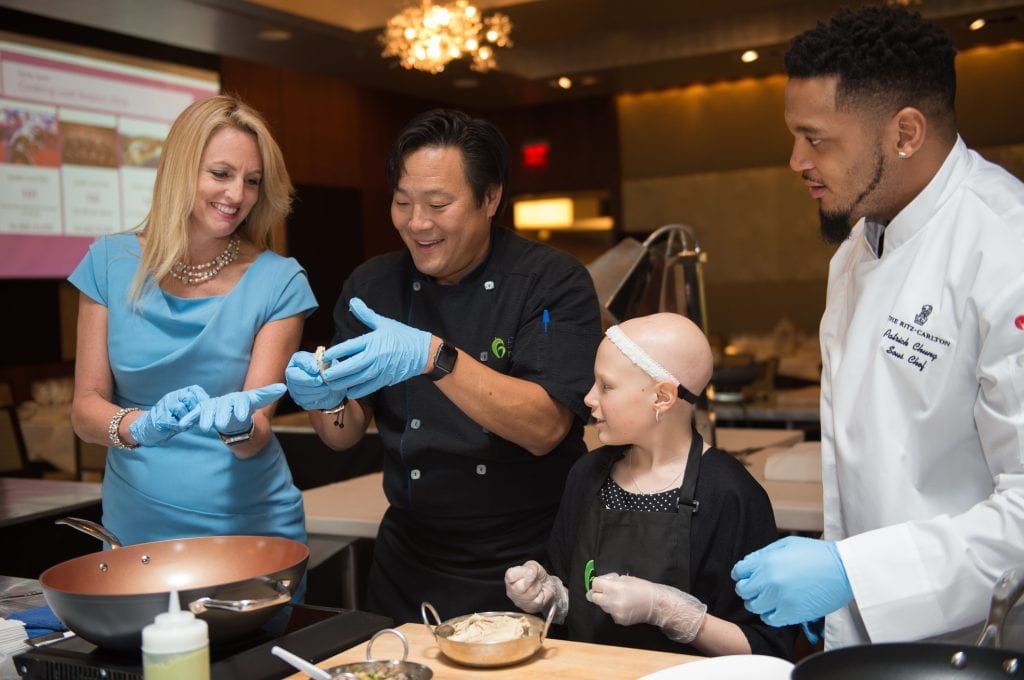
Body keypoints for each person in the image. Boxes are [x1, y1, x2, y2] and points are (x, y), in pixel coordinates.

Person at [731, 5, 1024, 649]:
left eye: (817, 139)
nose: (795, 160)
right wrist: (846, 579)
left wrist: (855, 573)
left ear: (906, 133)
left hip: (983, 642)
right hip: (874, 628)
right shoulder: (857, 250)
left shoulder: (1007, 249)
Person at [285, 108, 603, 622]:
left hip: (530, 562)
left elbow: (544, 427)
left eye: (438, 203)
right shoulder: (373, 286)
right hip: (409, 561)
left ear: (490, 197)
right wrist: (327, 399)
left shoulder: (552, 282)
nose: (417, 223)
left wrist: (434, 358)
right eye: (403, 202)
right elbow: (342, 435)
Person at [69, 94, 316, 552]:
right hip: (134, 525)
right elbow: (85, 410)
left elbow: (253, 436)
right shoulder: (108, 261)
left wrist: (240, 423)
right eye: (221, 174)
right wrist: (138, 425)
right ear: (181, 169)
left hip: (248, 528)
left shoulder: (279, 281)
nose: (237, 195)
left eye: (252, 181)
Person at [505, 313, 795, 658]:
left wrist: (670, 612)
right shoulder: (586, 475)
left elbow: (766, 648)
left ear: (662, 397)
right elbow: (573, 601)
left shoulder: (730, 494)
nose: (588, 398)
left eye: (606, 386)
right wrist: (550, 596)